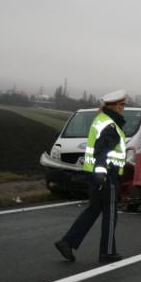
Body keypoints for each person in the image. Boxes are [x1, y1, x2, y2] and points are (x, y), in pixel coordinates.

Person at [54, 89, 128, 263]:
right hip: (107, 175)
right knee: (110, 214)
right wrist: (101, 174)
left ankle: (67, 242)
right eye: (122, 105)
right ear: (115, 106)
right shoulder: (110, 125)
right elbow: (101, 151)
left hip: (95, 174)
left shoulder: (101, 120)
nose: (123, 108)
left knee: (93, 210)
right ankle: (107, 252)